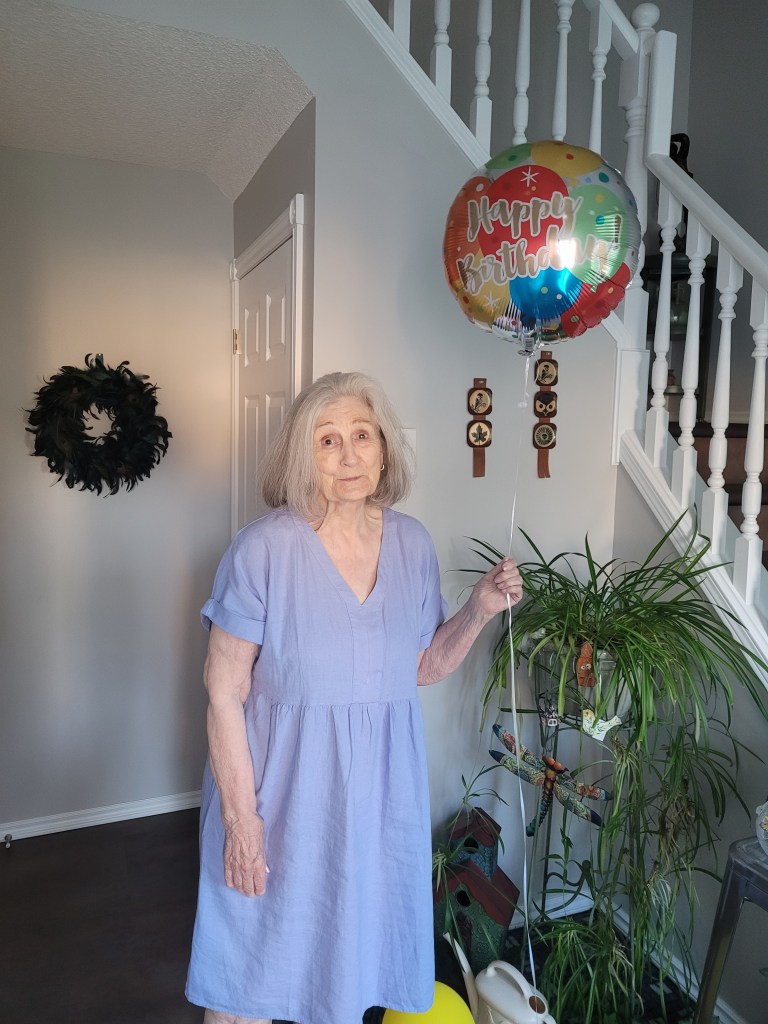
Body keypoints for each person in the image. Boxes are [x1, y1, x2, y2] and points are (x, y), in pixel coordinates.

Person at [186, 371, 522, 1024]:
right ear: (301, 455)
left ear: (385, 448)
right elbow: (223, 693)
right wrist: (241, 822)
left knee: (346, 964)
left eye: (362, 436)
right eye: (328, 440)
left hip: (374, 805)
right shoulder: (261, 549)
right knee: (248, 974)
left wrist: (480, 609)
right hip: (277, 801)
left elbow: (422, 666)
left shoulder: (413, 543)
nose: (348, 455)